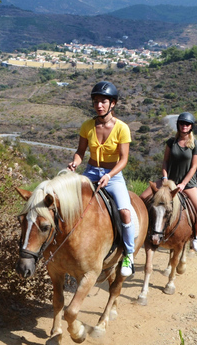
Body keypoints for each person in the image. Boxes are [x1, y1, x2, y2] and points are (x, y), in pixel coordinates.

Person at [68, 81, 135, 276]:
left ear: (112, 103)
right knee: (68, 204)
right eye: (96, 101)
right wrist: (75, 163)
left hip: (113, 176)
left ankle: (129, 254)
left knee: (125, 212)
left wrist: (109, 175)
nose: (99, 105)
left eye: (103, 101)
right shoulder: (87, 126)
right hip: (90, 171)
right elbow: (80, 152)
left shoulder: (122, 128)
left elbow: (123, 160)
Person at [141, 112, 197, 252]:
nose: (184, 126)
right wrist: (164, 177)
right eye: (182, 123)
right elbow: (165, 161)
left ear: (191, 127)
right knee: (142, 199)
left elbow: (194, 167)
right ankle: (145, 231)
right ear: (178, 125)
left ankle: (194, 237)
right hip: (168, 180)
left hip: (187, 184)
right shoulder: (171, 142)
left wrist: (183, 184)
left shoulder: (196, 145)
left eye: (187, 124)